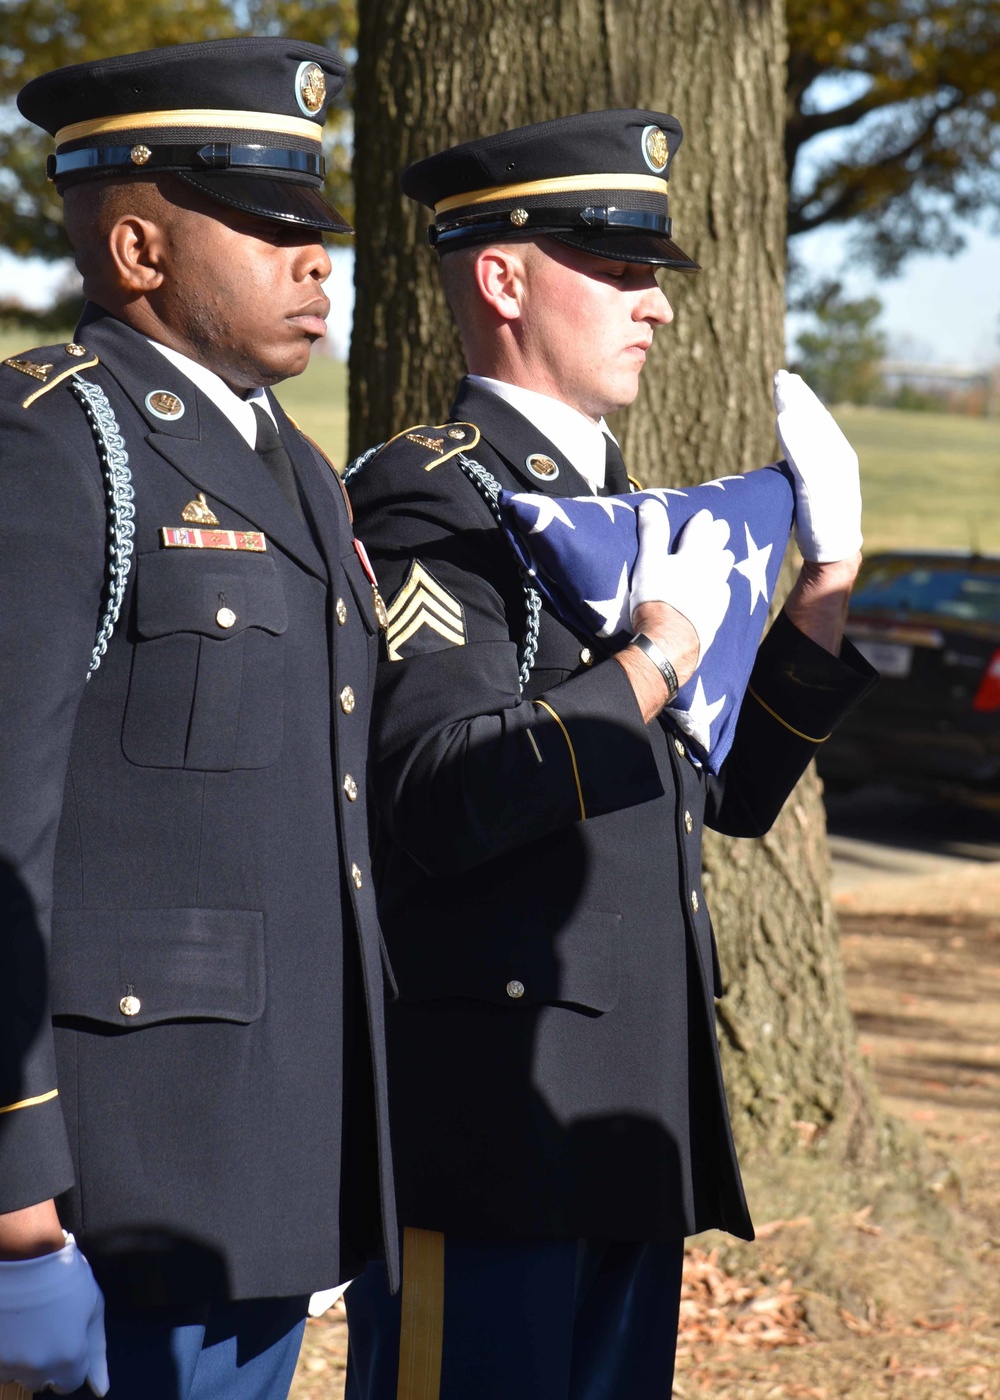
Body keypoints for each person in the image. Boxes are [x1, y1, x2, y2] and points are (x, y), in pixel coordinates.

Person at [343, 110, 876, 1399]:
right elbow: (441, 792)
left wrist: (825, 587)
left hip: (624, 1106)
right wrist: (655, 660)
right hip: (491, 1125)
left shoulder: (635, 515)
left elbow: (731, 793)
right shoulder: (435, 497)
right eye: (619, 269)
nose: (656, 306)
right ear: (504, 277)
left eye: (655, 275)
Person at [0, 38, 396, 1400]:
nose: (315, 260)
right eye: (271, 225)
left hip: (266, 1166)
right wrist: (11, 1188)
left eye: (318, 229)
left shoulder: (305, 475)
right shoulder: (57, 443)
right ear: (138, 250)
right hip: (111, 1178)